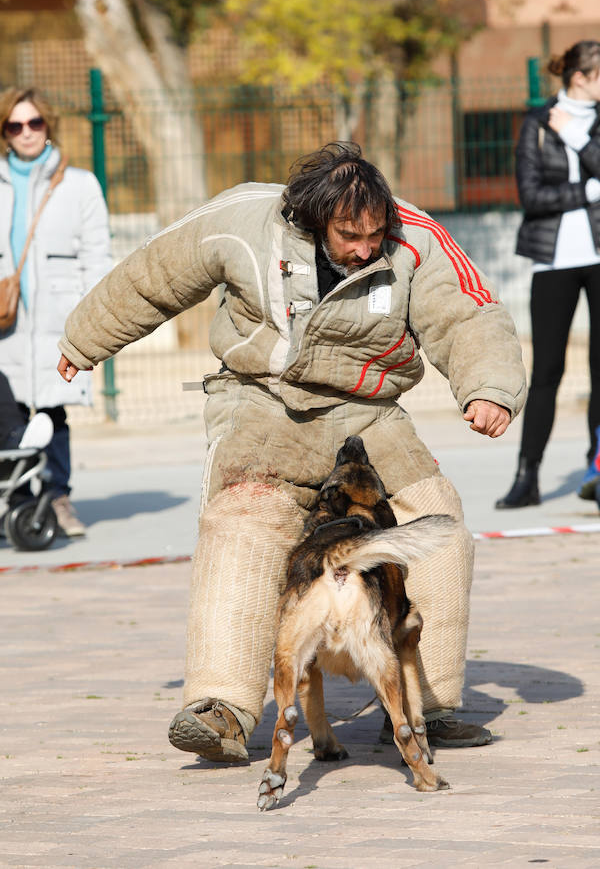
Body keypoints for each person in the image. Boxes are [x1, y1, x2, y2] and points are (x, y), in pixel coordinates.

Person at [57, 142, 526, 761]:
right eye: (349, 234)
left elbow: (469, 315)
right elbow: (152, 276)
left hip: (368, 412)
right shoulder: (243, 221)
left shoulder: (416, 238)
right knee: (242, 524)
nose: (365, 247)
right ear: (310, 217)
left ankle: (424, 706)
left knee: (434, 525)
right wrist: (83, 340)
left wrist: (488, 388)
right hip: (261, 404)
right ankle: (220, 707)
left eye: (374, 234)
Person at [0, 87, 113, 535]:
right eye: (15, 125)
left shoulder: (79, 183)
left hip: (57, 315)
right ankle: (21, 500)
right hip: (8, 319)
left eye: (35, 123)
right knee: (12, 409)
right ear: (5, 132)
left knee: (53, 408)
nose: (26, 133)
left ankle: (59, 498)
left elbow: (96, 254)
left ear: (47, 126)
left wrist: (91, 317)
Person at [496, 41, 600, 509]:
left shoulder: (593, 124)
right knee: (547, 373)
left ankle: (597, 468)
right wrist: (593, 188)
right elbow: (531, 197)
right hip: (552, 260)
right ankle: (527, 475)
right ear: (581, 75)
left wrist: (579, 143)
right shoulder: (537, 124)